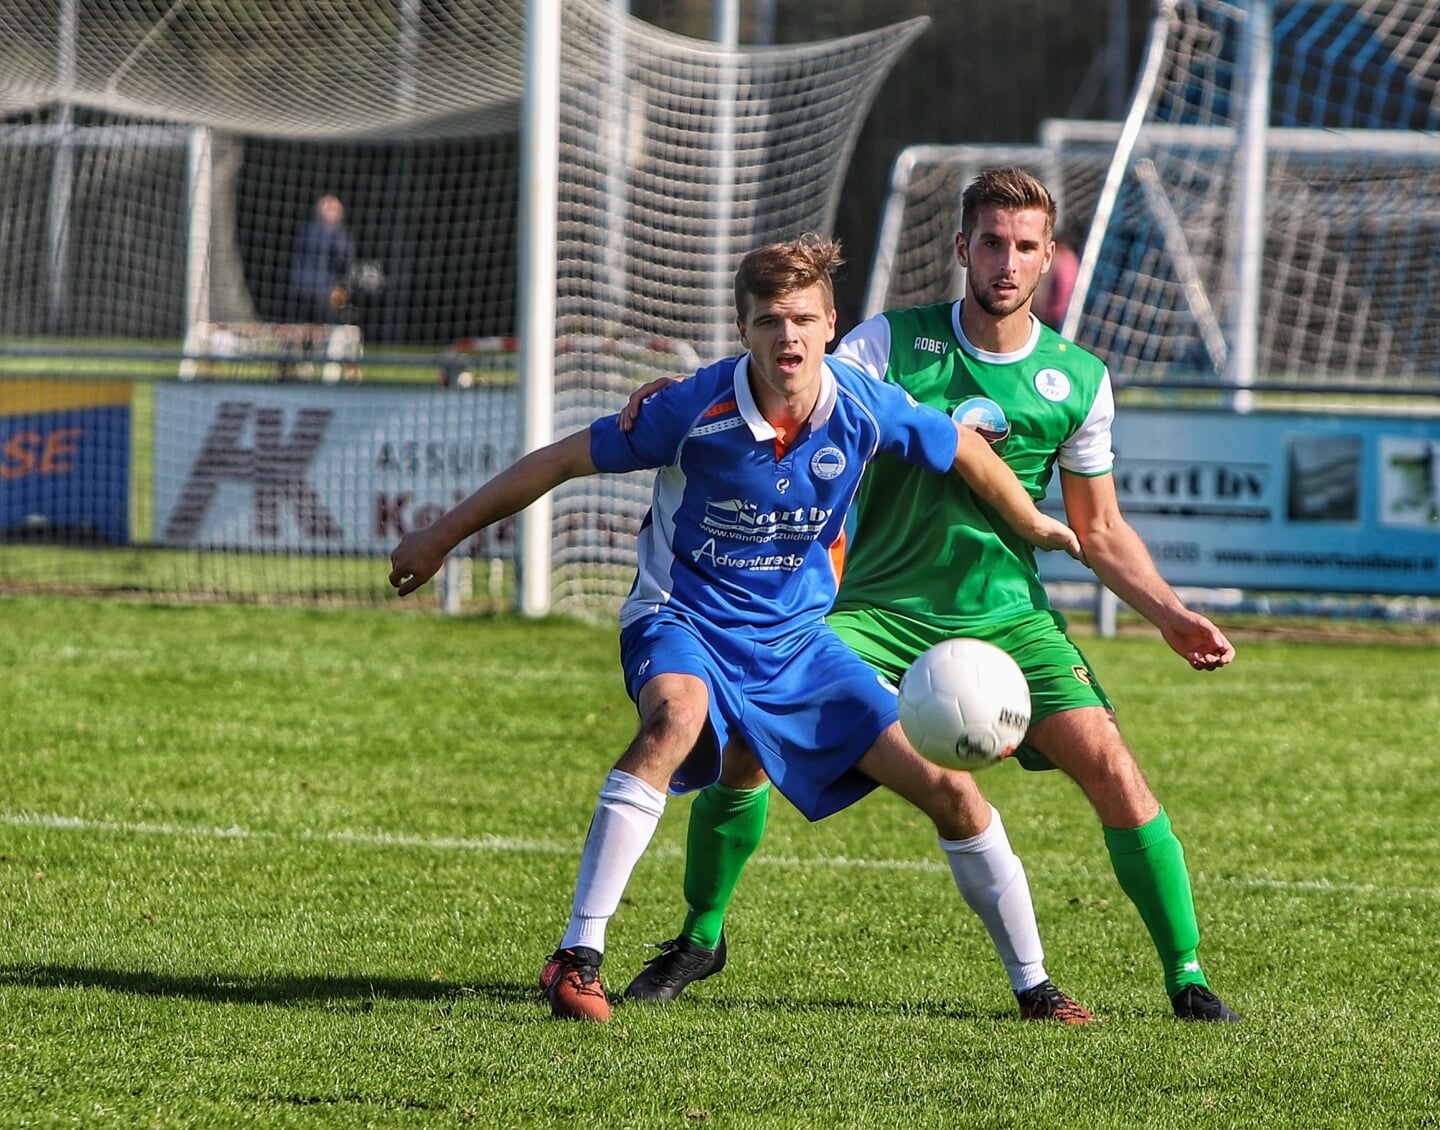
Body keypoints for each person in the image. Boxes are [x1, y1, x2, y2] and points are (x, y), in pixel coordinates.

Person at [390, 234, 1093, 1025]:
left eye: (801, 319)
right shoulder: (691, 408)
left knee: (951, 791)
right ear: (744, 329)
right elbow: (557, 462)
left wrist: (1031, 519)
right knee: (677, 719)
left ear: (831, 325)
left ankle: (1035, 988)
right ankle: (577, 956)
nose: (785, 337)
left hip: (796, 646)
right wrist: (439, 536)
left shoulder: (864, 406)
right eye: (767, 321)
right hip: (681, 619)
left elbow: (961, 444)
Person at [619, 168, 1243, 1022]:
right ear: (961, 249)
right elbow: (786, 374)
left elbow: (1099, 530)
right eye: (991, 242)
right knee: (745, 743)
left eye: (1025, 246)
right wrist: (679, 397)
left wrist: (1170, 613)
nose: (1007, 261)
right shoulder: (889, 344)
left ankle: (1188, 976)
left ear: (1047, 258)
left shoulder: (1079, 379)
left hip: (1009, 619)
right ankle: (701, 934)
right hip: (874, 609)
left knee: (1114, 767)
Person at [290, 194, 354, 325]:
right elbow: (343, 258)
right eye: (330, 208)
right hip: (320, 290)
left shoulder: (308, 230)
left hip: (306, 288)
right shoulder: (329, 233)